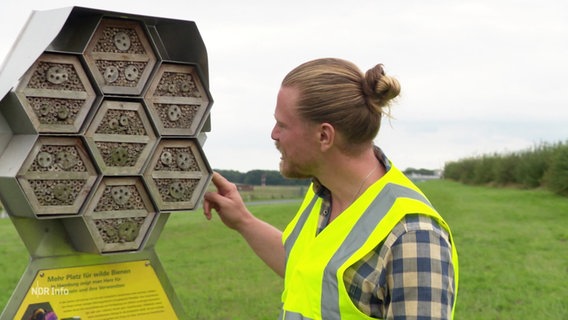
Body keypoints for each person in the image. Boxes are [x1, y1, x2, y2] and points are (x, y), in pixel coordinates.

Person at [203, 58, 458, 319]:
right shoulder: (323, 195)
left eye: (282, 124)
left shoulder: (413, 235)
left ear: (324, 136)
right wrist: (243, 221)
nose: (273, 134)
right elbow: (307, 269)